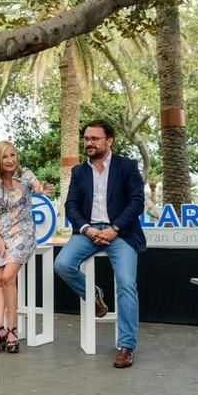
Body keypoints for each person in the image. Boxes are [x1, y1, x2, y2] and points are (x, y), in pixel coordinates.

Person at [54, 119, 145, 368]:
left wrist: (115, 229)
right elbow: (71, 205)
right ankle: (93, 295)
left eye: (94, 138)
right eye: (86, 138)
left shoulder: (127, 166)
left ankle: (126, 345)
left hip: (121, 233)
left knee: (126, 283)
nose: (89, 143)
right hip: (88, 232)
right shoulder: (79, 171)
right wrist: (87, 228)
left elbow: (137, 202)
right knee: (62, 264)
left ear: (109, 141)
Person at [0, 140, 53, 354]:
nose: (10, 160)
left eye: (13, 155)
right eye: (5, 156)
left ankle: (13, 329)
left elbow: (38, 188)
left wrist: (43, 190)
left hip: (23, 232)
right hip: (0, 235)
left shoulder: (26, 176)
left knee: (7, 278)